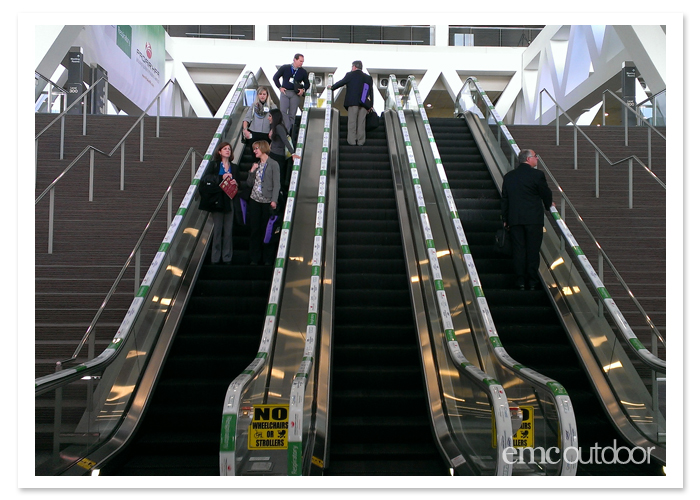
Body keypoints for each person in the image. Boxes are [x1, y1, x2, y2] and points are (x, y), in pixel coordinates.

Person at [500, 149, 554, 290]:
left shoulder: (509, 177)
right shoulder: (537, 175)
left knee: (518, 250)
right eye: (536, 156)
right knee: (532, 250)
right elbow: (545, 192)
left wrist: (505, 218)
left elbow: (505, 199)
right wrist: (549, 204)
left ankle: (520, 281)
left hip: (515, 219)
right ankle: (532, 281)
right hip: (533, 219)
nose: (537, 159)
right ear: (529, 159)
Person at [198, 142, 239, 265]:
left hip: (230, 199)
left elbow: (238, 183)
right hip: (217, 199)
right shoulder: (214, 165)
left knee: (228, 230)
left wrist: (236, 183)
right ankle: (215, 258)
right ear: (219, 152)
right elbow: (205, 179)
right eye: (225, 149)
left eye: (229, 149)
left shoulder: (234, 167)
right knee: (217, 230)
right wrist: (222, 177)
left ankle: (227, 257)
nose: (227, 151)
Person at [247, 141, 281, 265]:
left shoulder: (273, 164)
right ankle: (254, 258)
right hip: (255, 200)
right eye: (254, 149)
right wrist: (252, 171)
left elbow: (277, 184)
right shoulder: (256, 164)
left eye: (256, 149)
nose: (254, 151)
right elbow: (249, 184)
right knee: (255, 229)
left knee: (266, 230)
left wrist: (274, 200)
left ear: (263, 148)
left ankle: (267, 258)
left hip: (267, 202)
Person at [329, 60, 374, 146]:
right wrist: (371, 105)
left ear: (354, 67)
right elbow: (371, 92)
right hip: (364, 104)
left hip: (352, 103)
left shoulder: (350, 75)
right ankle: (361, 141)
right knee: (361, 123)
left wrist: (332, 87)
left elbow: (341, 83)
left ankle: (352, 141)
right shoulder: (368, 78)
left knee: (352, 122)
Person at [272, 53, 310, 134]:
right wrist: (280, 87)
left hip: (295, 93)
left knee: (292, 113)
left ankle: (289, 131)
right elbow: (275, 77)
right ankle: (288, 129)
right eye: (300, 61)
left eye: (302, 62)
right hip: (285, 91)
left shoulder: (303, 71)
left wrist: (303, 89)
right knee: (283, 111)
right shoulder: (285, 68)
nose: (301, 63)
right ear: (295, 60)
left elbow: (307, 83)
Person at [267, 108, 301, 191]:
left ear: (275, 117)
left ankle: (279, 198)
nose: (268, 118)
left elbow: (285, 140)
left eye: (270, 116)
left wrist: (293, 153)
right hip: (274, 154)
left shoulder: (279, 127)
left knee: (276, 178)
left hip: (277, 156)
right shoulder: (275, 127)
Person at [242, 86, 275, 150]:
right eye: (260, 94)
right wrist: (245, 130)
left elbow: (276, 120)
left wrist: (273, 130)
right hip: (254, 132)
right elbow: (247, 118)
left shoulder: (272, 106)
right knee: (254, 153)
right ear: (257, 95)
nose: (262, 96)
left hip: (266, 133)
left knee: (265, 153)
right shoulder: (254, 105)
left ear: (267, 95)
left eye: (264, 94)